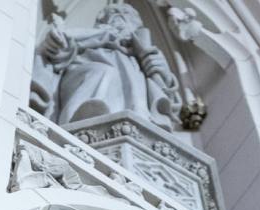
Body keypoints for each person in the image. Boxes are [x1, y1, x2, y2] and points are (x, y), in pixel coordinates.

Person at [31, 3, 183, 131]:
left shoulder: (140, 56)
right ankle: (82, 121)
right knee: (104, 72)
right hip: (82, 76)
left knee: (136, 90)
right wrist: (57, 44)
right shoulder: (91, 38)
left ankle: (135, 129)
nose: (120, 17)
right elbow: (63, 51)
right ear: (102, 21)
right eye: (114, 13)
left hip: (132, 98)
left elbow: (165, 96)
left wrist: (162, 73)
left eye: (127, 15)